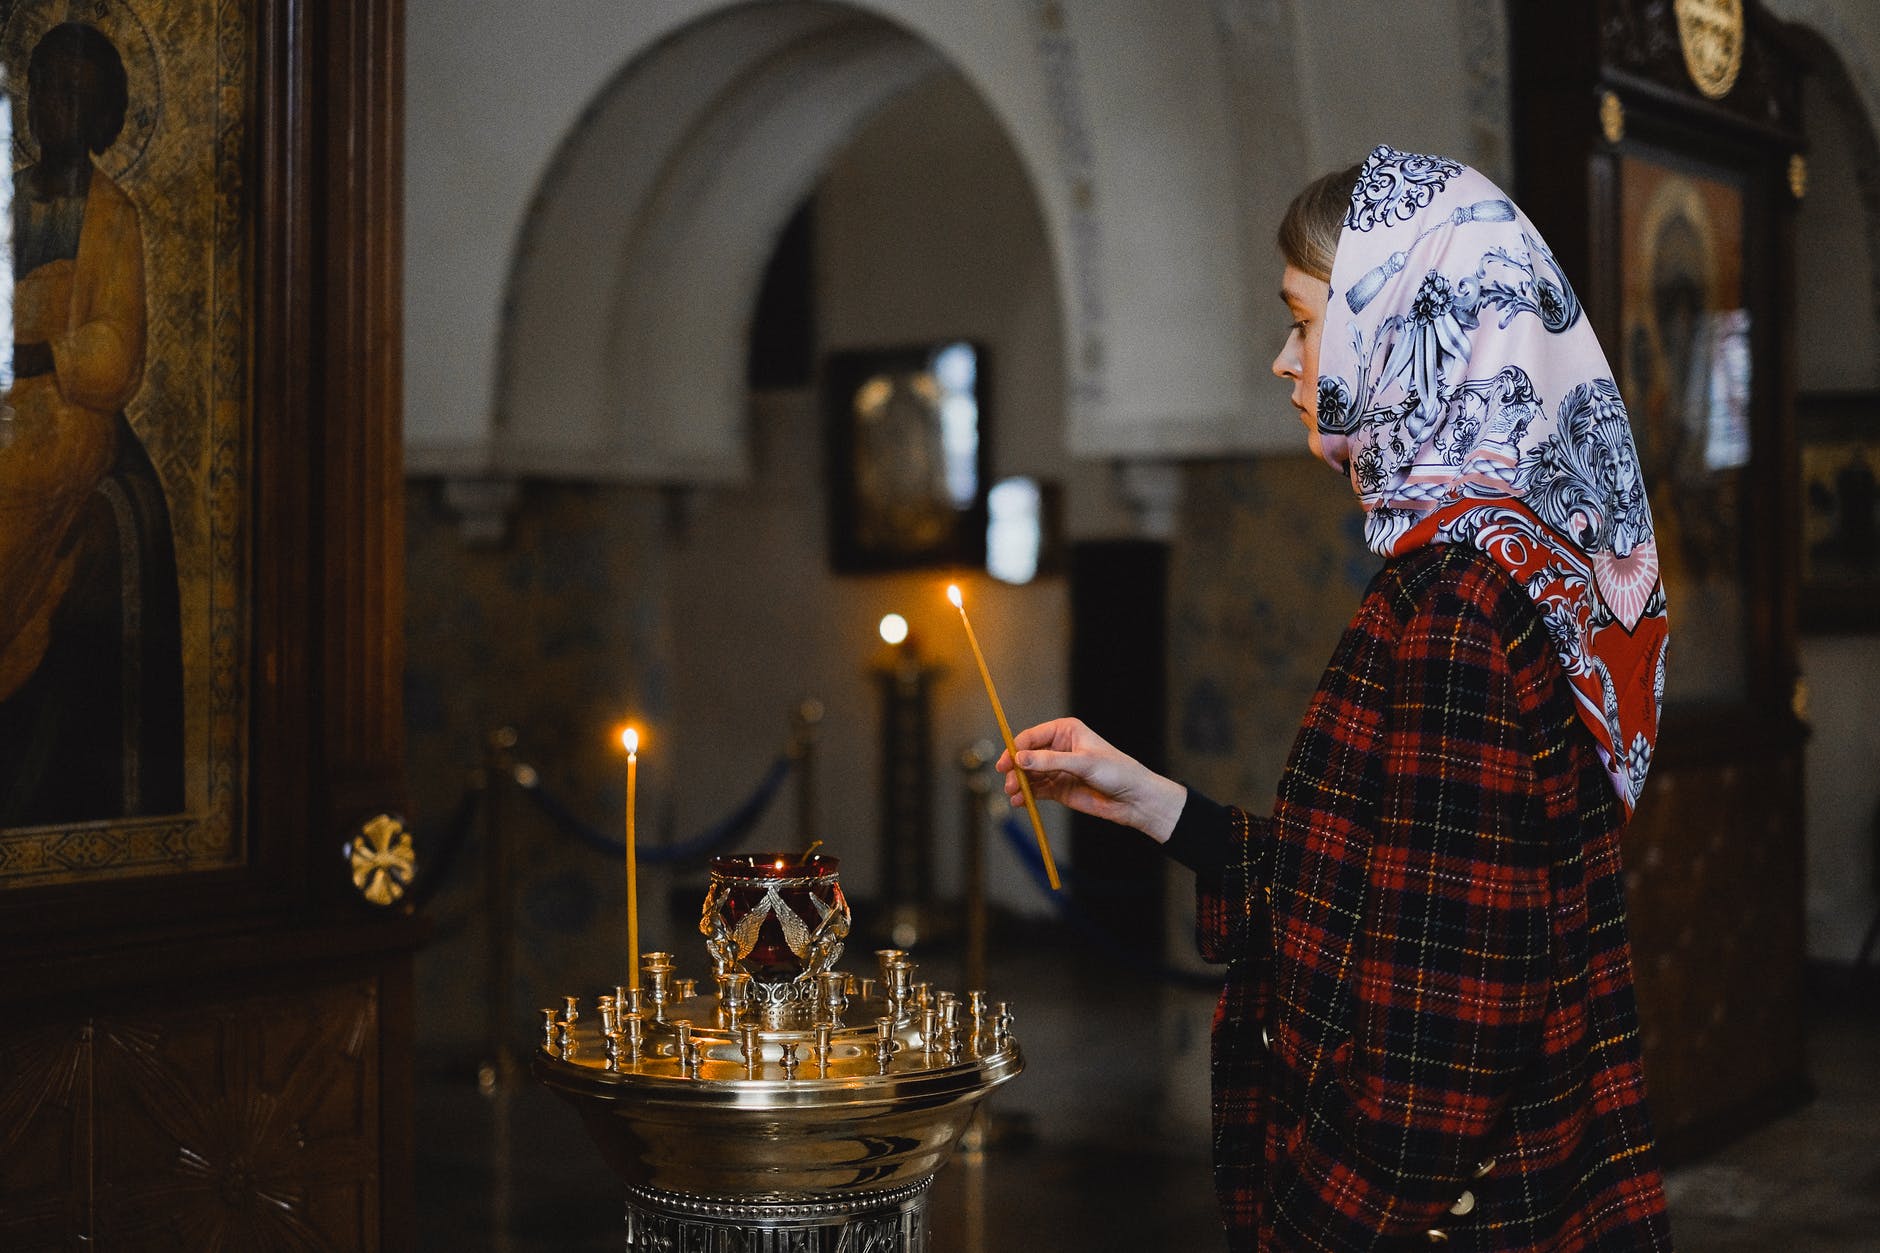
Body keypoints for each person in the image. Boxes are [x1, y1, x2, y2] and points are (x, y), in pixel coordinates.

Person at [998, 145, 1673, 1251]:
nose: (1282, 359)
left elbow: (1436, 1059)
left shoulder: (1457, 606)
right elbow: (1384, 900)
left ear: (1408, 329)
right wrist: (1155, 804)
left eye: (1304, 321)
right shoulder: (1498, 558)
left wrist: (1303, 1231)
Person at [0, 21, 183, 825]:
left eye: (72, 93)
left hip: (65, 425)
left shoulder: (113, 216)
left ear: (105, 113)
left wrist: (43, 349)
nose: (53, 107)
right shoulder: (5, 193)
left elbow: (118, 354)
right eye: (42, 87)